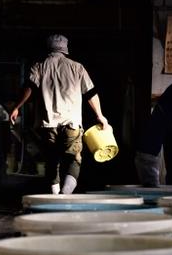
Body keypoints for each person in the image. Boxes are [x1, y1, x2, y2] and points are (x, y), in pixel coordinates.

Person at [10, 34, 110, 194]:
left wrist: (16, 107)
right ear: (65, 49)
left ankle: (55, 197)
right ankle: (65, 195)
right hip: (72, 123)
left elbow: (29, 88)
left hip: (48, 124)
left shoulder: (39, 66)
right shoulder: (77, 67)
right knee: (74, 159)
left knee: (52, 161)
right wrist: (100, 115)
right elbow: (91, 93)